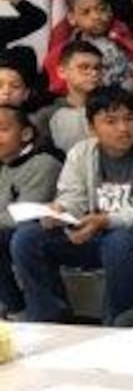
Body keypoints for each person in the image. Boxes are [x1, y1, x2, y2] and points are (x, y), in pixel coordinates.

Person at [13, 86, 133, 325]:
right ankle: (49, 320)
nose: (123, 128)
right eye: (111, 121)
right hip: (98, 234)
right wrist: (62, 211)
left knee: (121, 241)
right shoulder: (81, 152)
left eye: (130, 119)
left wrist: (105, 220)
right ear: (92, 127)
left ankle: (117, 323)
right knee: (28, 238)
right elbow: (73, 197)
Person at [43, 0, 133, 127]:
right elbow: (58, 91)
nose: (96, 16)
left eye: (101, 9)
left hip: (132, 110)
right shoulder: (64, 52)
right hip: (91, 117)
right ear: (71, 18)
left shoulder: (123, 34)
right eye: (86, 12)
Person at [0, 105, 60, 317]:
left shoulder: (44, 163)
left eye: (3, 129)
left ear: (26, 133)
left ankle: (20, 309)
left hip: (46, 234)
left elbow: (24, 213)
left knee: (24, 236)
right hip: (12, 236)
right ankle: (14, 306)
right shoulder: (5, 166)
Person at [35, 42, 100, 155]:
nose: (94, 73)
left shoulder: (112, 107)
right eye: (84, 67)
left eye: (97, 68)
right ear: (62, 72)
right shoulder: (47, 115)